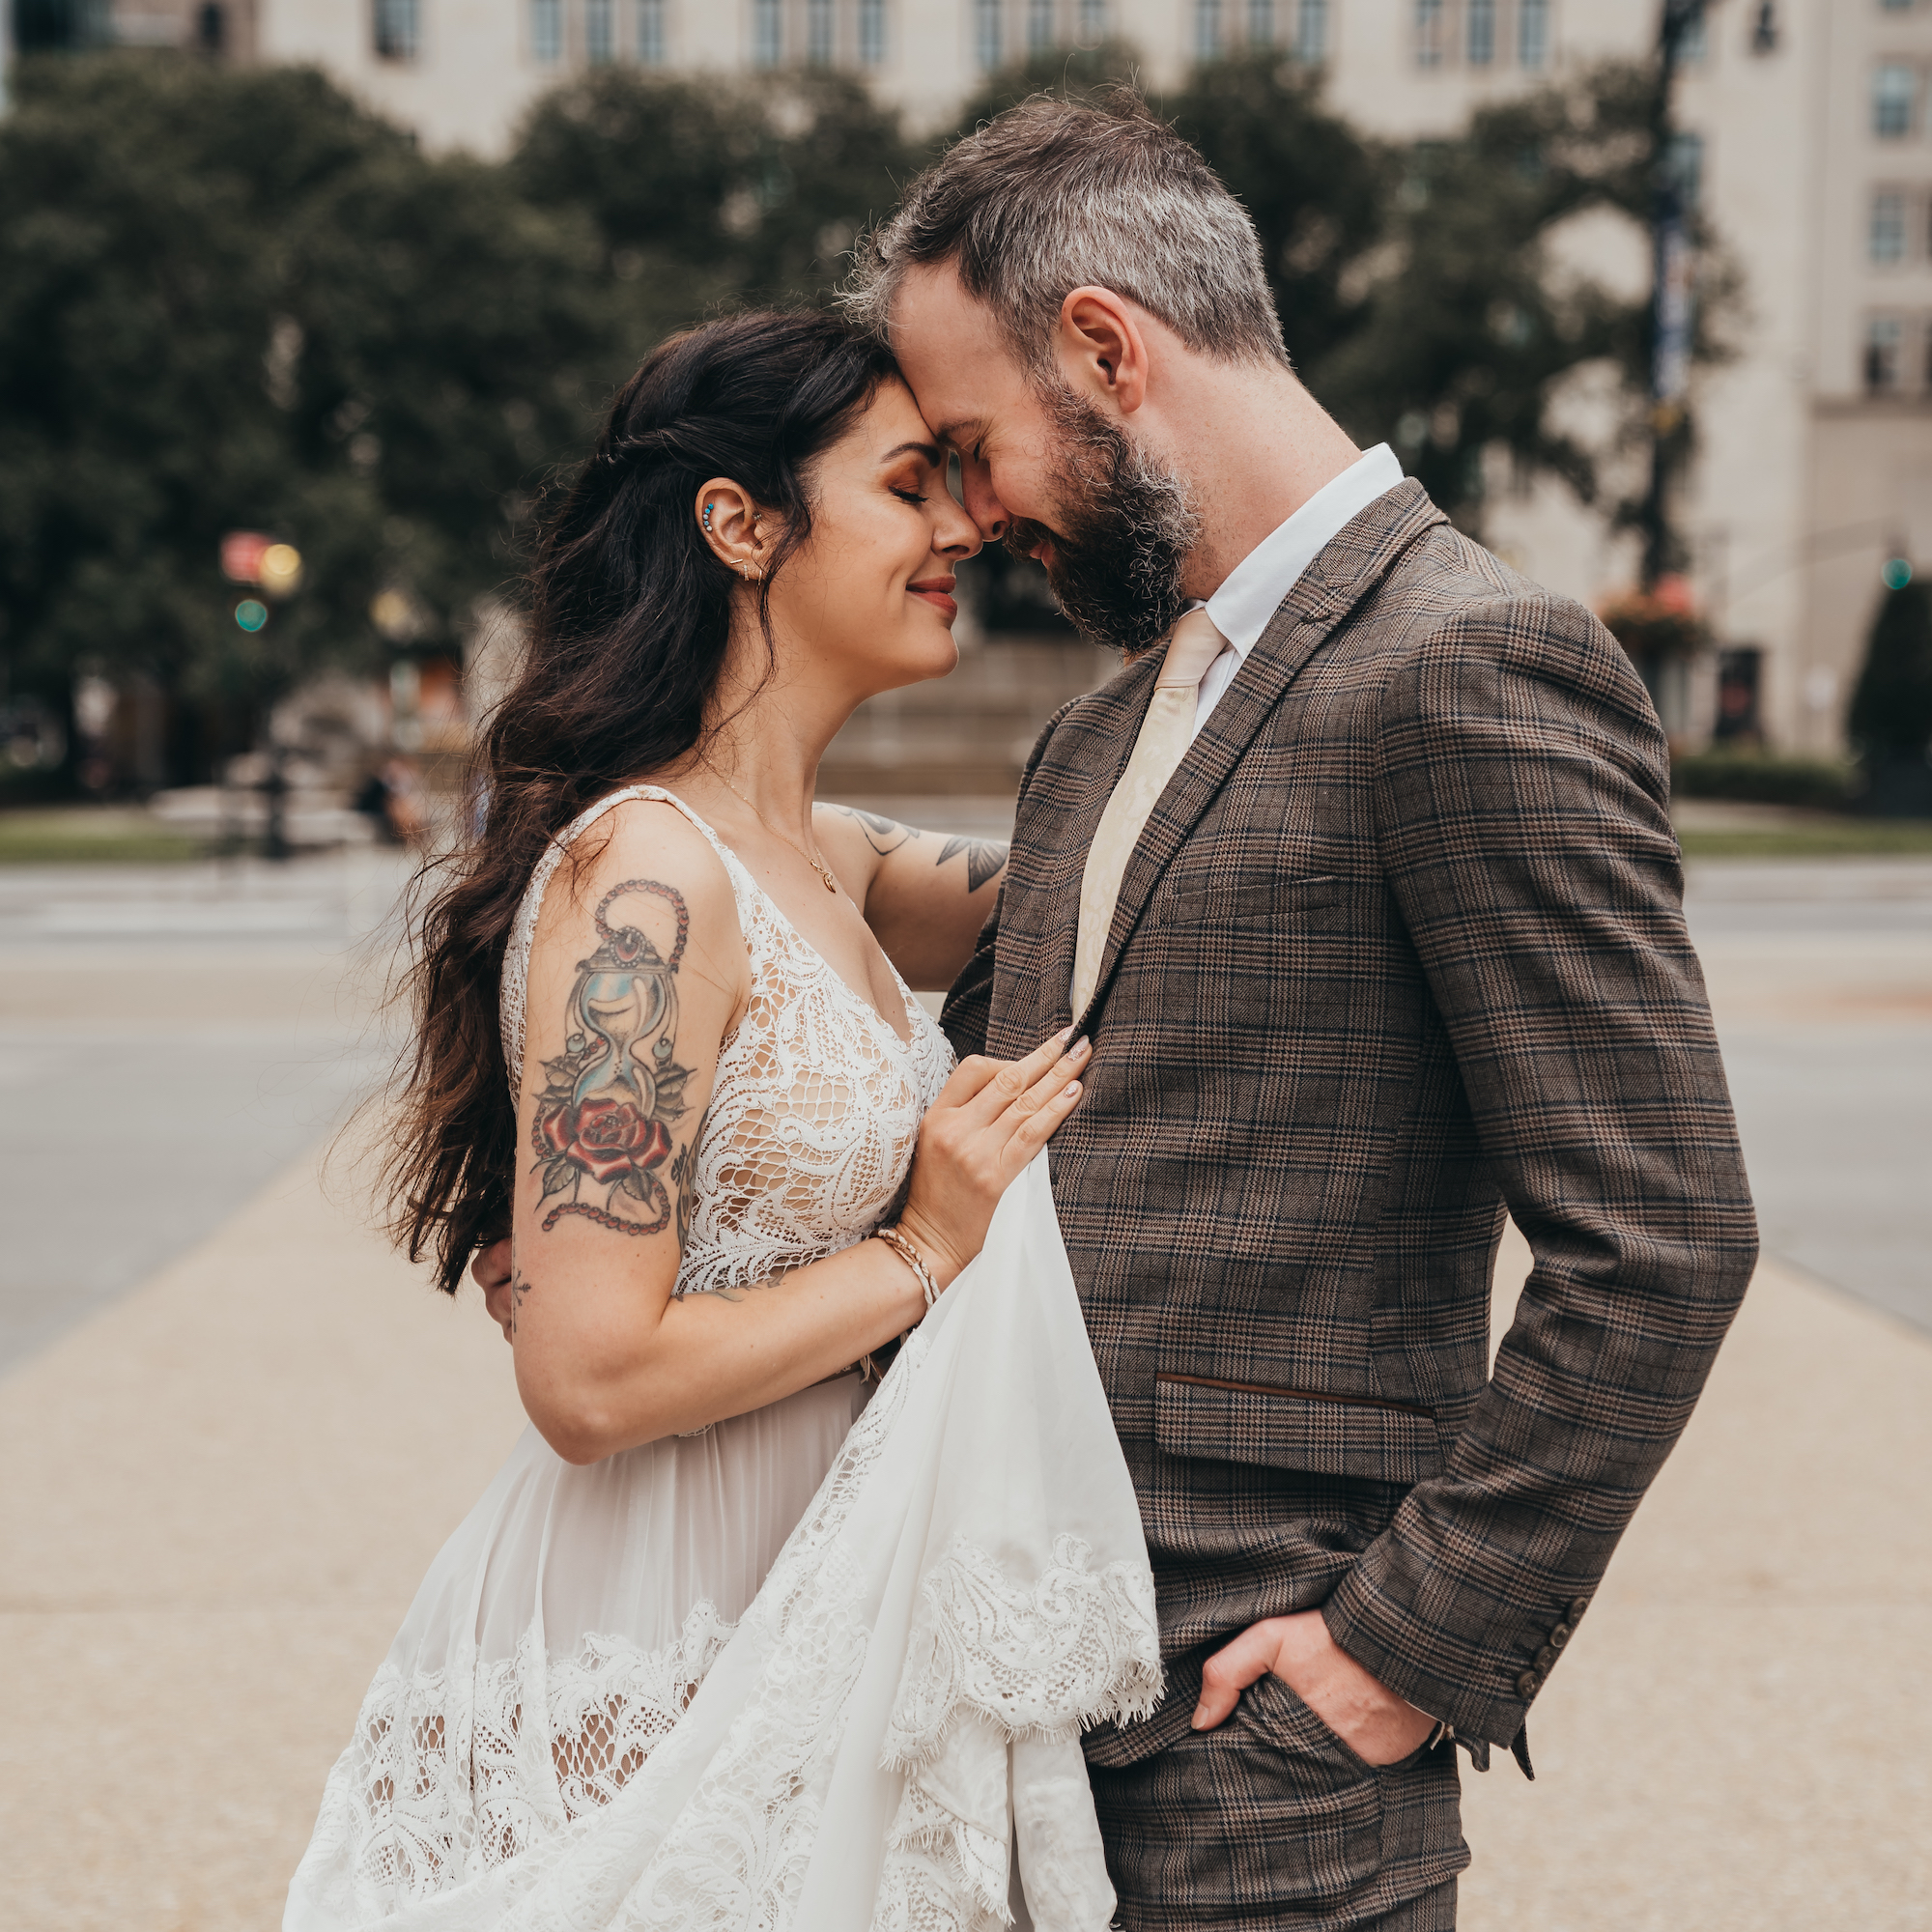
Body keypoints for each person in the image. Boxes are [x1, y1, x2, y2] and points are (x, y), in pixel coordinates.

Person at [841, 90, 1759, 1930]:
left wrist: (1397, 1655)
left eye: (971, 440)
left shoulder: (1471, 662)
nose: (971, 507)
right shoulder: (1097, 730)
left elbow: (1660, 1236)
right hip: (999, 1727)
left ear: (1106, 349)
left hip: (1264, 1775)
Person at [285, 309, 1160, 1930]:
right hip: (660, 1601)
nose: (960, 528)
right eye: (912, 485)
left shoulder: (824, 857)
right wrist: (923, 1248)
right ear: (741, 523)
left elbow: (1124, 888)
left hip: (820, 1571)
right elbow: (589, 1375)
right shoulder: (652, 880)